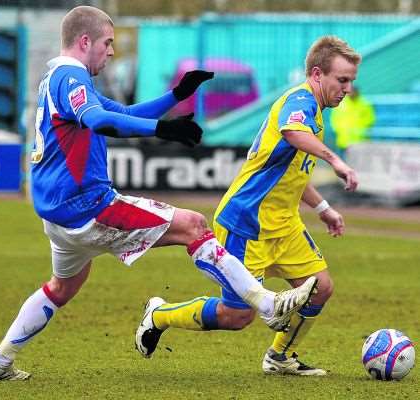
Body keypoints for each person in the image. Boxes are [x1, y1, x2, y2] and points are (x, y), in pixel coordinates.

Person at [0, 6, 317, 381]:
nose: (111, 52)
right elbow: (99, 120)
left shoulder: (57, 78)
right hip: (86, 206)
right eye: (107, 43)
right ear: (84, 41)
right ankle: (268, 304)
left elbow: (118, 110)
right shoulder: (71, 76)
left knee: (62, 286)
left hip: (56, 214)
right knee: (193, 224)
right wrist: (162, 129)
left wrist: (176, 95)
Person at [135, 35, 360, 376]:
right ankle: (160, 314)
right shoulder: (299, 101)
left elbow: (292, 175)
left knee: (320, 288)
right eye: (342, 80)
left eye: (351, 81)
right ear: (317, 74)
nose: (347, 88)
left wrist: (323, 207)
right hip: (246, 221)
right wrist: (336, 161)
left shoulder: (317, 112)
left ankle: (280, 357)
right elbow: (291, 132)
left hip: (283, 224)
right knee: (237, 316)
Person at [330, 86, 375, 158]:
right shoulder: (340, 103)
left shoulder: (365, 104)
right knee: (342, 164)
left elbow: (370, 120)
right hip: (343, 141)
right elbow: (334, 119)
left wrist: (361, 130)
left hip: (360, 141)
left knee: (359, 165)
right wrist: (338, 130)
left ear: (357, 92)